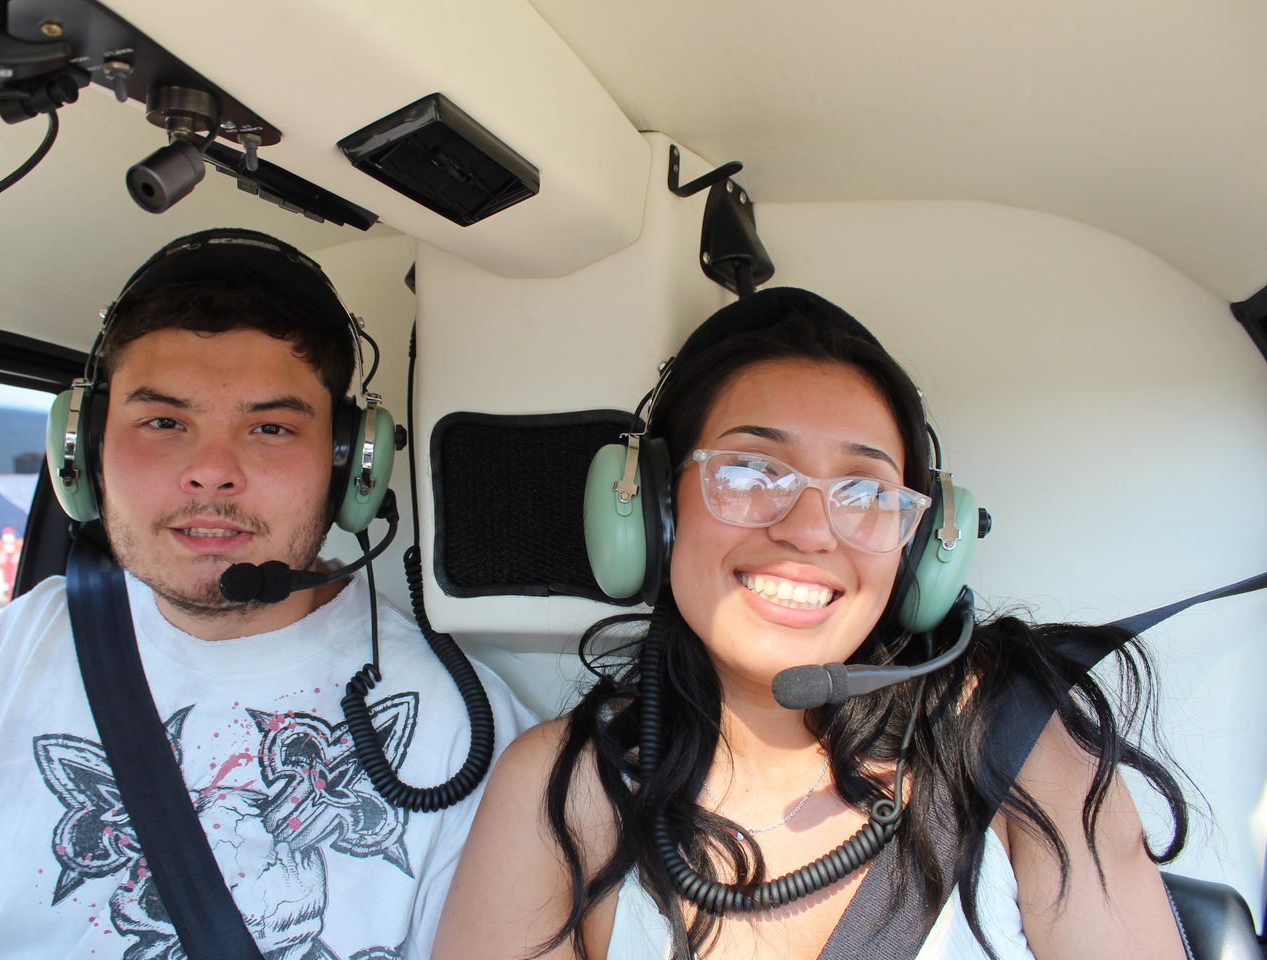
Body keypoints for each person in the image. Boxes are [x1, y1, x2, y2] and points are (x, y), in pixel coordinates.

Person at [0, 228, 534, 960]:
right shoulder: (21, 643)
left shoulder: (467, 734)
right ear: (86, 449)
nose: (211, 470)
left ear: (351, 465)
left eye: (270, 427)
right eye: (164, 422)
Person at [432, 287, 1189, 959]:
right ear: (653, 510)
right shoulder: (563, 790)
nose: (807, 531)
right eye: (748, 471)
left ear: (919, 549)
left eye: (866, 492)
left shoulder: (1019, 745)